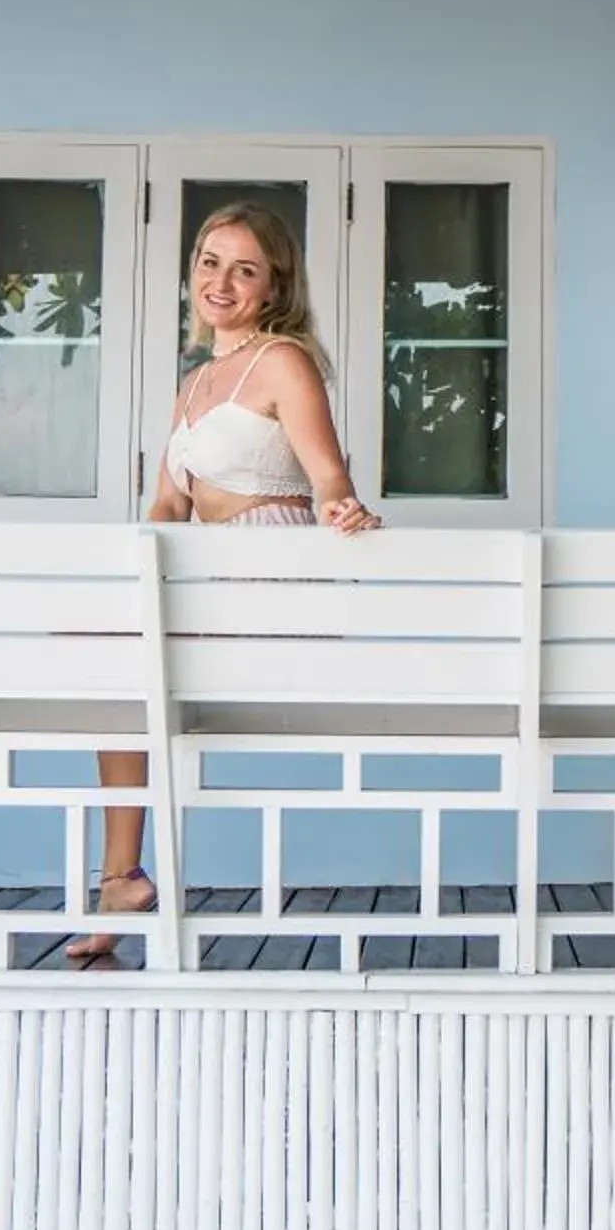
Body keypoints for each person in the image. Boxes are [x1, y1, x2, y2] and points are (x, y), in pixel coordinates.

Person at [71, 201, 379, 964]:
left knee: (116, 664)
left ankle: (118, 881)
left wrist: (345, 509)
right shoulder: (196, 384)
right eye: (210, 262)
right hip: (201, 571)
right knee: (103, 663)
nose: (221, 280)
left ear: (273, 286)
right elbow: (167, 506)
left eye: (244, 268)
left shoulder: (282, 362)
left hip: (261, 569)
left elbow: (328, 474)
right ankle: (120, 878)